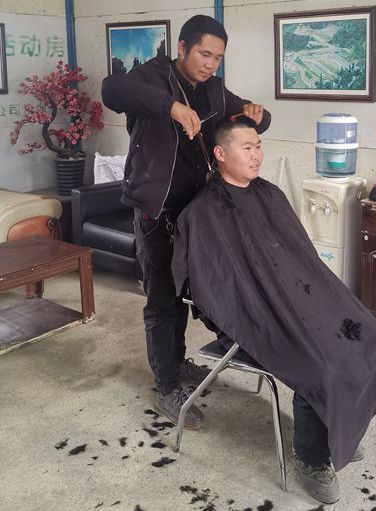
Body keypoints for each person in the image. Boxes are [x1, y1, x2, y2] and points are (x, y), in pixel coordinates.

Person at [171, 118, 376, 504]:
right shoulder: (204, 213)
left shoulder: (269, 195)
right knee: (323, 366)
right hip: (253, 318)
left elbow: (302, 259)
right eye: (247, 147)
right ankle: (311, 458)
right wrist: (261, 307)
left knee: (374, 339)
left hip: (299, 299)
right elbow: (212, 285)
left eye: (258, 146)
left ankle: (341, 423)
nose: (257, 154)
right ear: (220, 153)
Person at [100, 15, 271, 429]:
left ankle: (177, 363)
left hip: (197, 212)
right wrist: (172, 107)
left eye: (218, 57)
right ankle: (167, 386)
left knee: (192, 291)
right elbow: (111, 90)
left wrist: (258, 114)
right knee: (163, 298)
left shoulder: (214, 90)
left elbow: (251, 120)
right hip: (155, 210)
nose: (210, 64)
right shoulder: (152, 76)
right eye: (203, 54)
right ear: (182, 47)